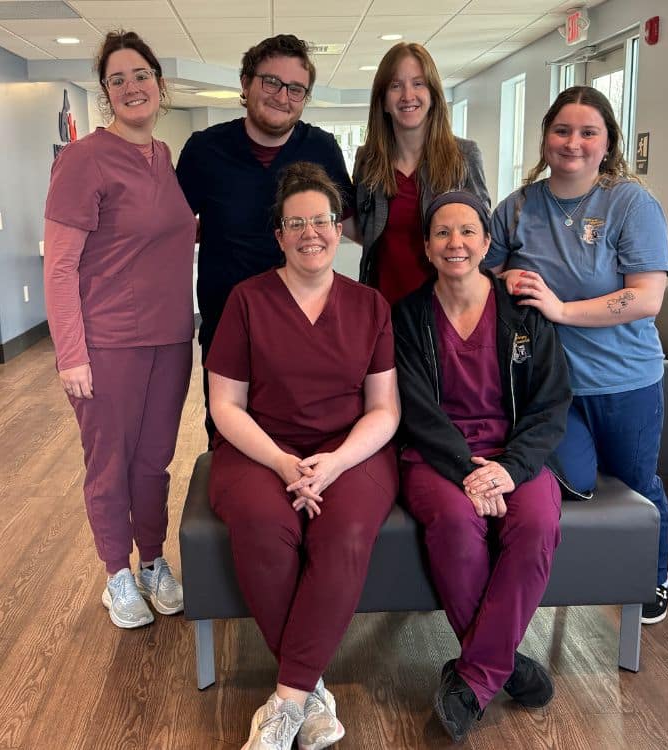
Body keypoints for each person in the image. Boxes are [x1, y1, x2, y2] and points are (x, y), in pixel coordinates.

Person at [206, 163, 400, 750]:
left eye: (321, 220)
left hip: (351, 452)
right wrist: (284, 464)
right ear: (279, 234)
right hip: (258, 448)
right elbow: (225, 405)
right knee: (264, 527)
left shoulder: (370, 305)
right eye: (297, 223)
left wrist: (336, 462)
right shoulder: (247, 300)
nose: (310, 232)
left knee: (342, 536)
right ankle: (310, 691)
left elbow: (385, 409)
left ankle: (286, 698)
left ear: (339, 229)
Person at [393, 191, 572, 742]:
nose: (456, 243)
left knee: (538, 523)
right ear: (426, 247)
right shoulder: (407, 317)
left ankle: (474, 676)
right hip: (436, 457)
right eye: (442, 233)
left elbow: (550, 404)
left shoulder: (523, 314)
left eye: (467, 232)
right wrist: (467, 470)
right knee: (452, 522)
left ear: (487, 243)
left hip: (514, 456)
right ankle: (505, 664)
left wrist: (511, 469)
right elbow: (415, 409)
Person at [491, 85, 668, 624]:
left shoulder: (629, 203)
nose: (573, 142)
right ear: (545, 137)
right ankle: (580, 569)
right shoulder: (519, 205)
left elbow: (646, 297)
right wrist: (506, 278)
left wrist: (561, 309)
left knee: (638, 482)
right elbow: (480, 273)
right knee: (575, 484)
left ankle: (652, 575)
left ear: (607, 141)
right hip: (551, 386)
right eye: (561, 130)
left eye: (588, 132)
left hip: (624, 379)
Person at [43, 31, 194, 629]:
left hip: (172, 338)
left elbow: (167, 235)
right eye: (117, 79)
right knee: (110, 463)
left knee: (155, 461)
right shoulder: (83, 159)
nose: (132, 87)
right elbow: (59, 266)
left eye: (141, 75)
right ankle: (116, 573)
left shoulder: (162, 157)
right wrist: (71, 355)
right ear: (106, 94)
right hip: (107, 344)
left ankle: (153, 560)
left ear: (160, 83)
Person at [176, 34, 355, 444]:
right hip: (227, 328)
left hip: (306, 330)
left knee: (306, 440)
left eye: (296, 88)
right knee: (228, 442)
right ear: (245, 83)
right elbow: (171, 231)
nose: (282, 96)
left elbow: (349, 224)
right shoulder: (205, 150)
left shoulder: (322, 149)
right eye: (270, 82)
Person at [354, 42, 492, 305]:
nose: (408, 95)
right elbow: (365, 228)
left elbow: (482, 235)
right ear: (382, 100)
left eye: (418, 83)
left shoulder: (464, 155)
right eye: (395, 86)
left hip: (448, 307)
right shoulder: (367, 160)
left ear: (433, 94)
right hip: (384, 306)